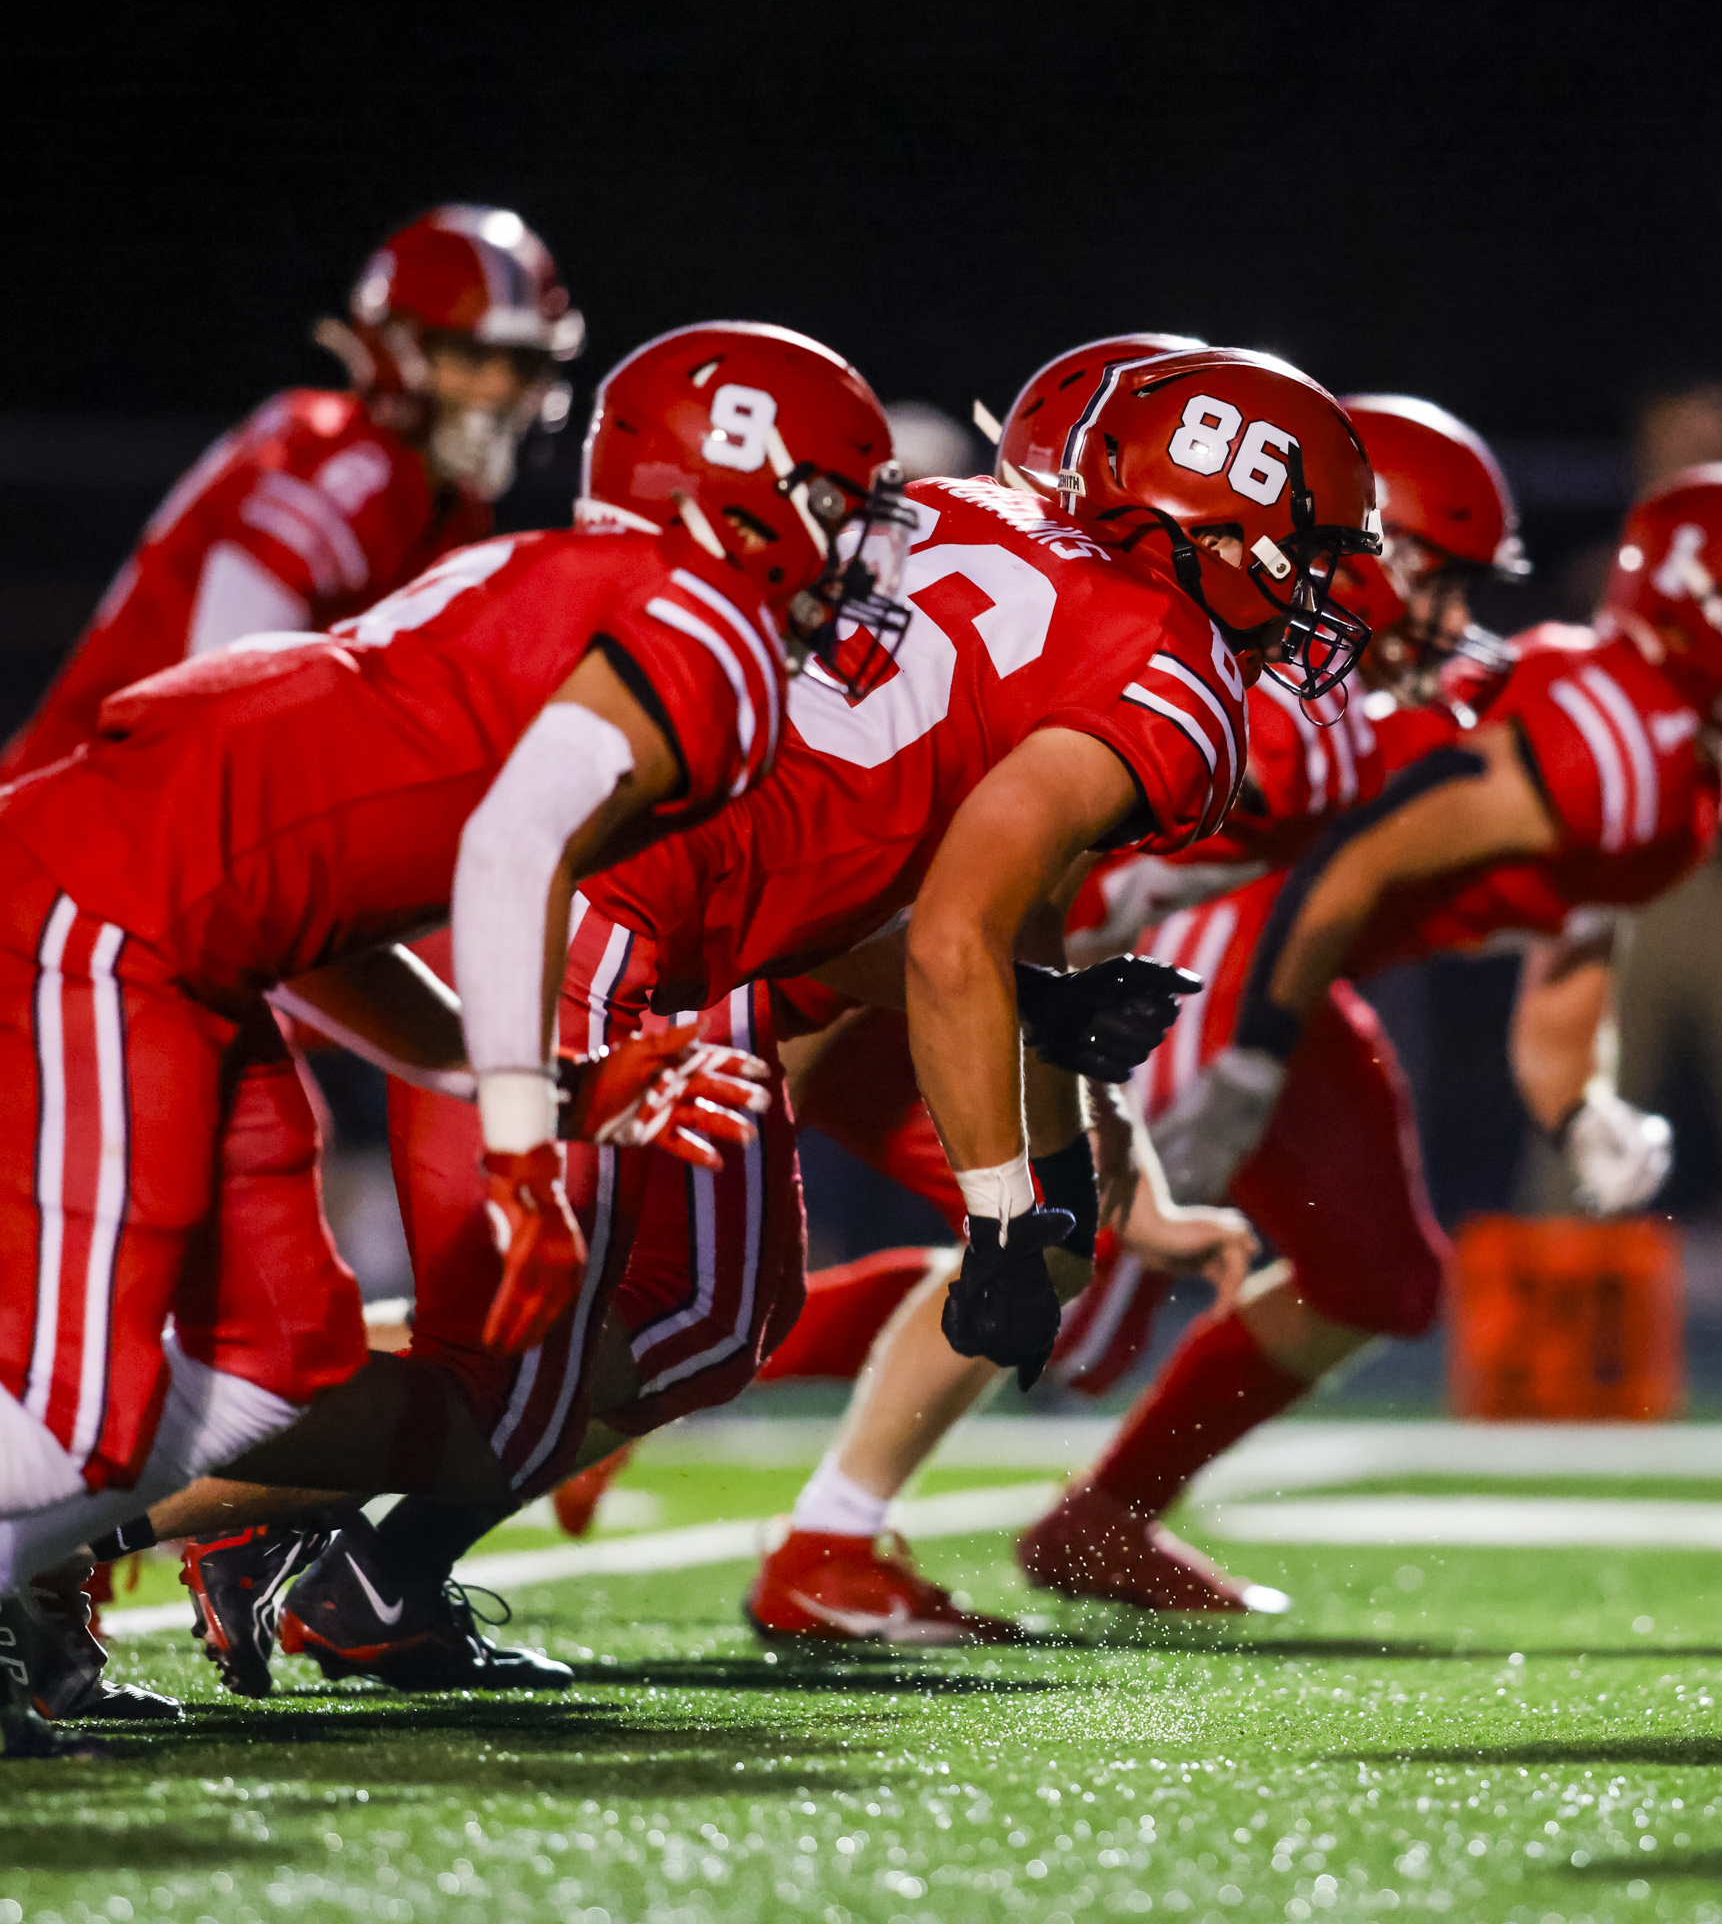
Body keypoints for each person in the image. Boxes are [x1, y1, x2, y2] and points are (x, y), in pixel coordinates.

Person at [158, 347, 1375, 1689]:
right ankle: (98, 1479)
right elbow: (957, 931)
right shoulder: (1173, 670)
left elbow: (976, 911)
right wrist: (999, 1218)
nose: (1325, 590)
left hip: (637, 891)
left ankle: (334, 1553)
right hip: (614, 907)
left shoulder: (986, 523)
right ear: (1225, 530)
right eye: (1311, 549)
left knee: (699, 1312)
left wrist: (1055, 1151)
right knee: (530, 1365)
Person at [0, 320, 899, 1756]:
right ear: (730, 490)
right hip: (111, 907)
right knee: (76, 1414)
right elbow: (512, 851)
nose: (853, 549)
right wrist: (520, 1151)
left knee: (277, 1360)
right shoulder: (699, 628)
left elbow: (336, 883)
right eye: (831, 504)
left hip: (189, 929)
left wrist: (538, 1082)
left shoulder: (572, 583)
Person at [730, 383, 1525, 1637]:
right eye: (1425, 571)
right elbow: (988, 896)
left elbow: (1040, 903)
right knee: (684, 1282)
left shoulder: (1295, 708)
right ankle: (795, 1509)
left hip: (958, 949)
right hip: (867, 946)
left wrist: (1099, 1120)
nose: (1451, 616)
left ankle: (809, 1509)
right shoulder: (1231, 697)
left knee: (1047, 1250)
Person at [1018, 463, 1722, 1612]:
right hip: (1221, 923)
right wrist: (1254, 1048)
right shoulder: (1617, 740)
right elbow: (1352, 858)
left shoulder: (1670, 780)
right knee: (1063, 1288)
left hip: (1300, 957)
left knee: (1377, 1278)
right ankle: (806, 1476)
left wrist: (1582, 1108)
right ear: (1705, 617)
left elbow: (1568, 971)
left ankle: (1103, 1518)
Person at [0, 206, 581, 796]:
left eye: (521, 362)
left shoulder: (447, 506)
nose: (500, 387)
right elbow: (216, 690)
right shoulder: (334, 461)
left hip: (171, 808)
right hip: (95, 806)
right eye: (472, 357)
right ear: (398, 348)